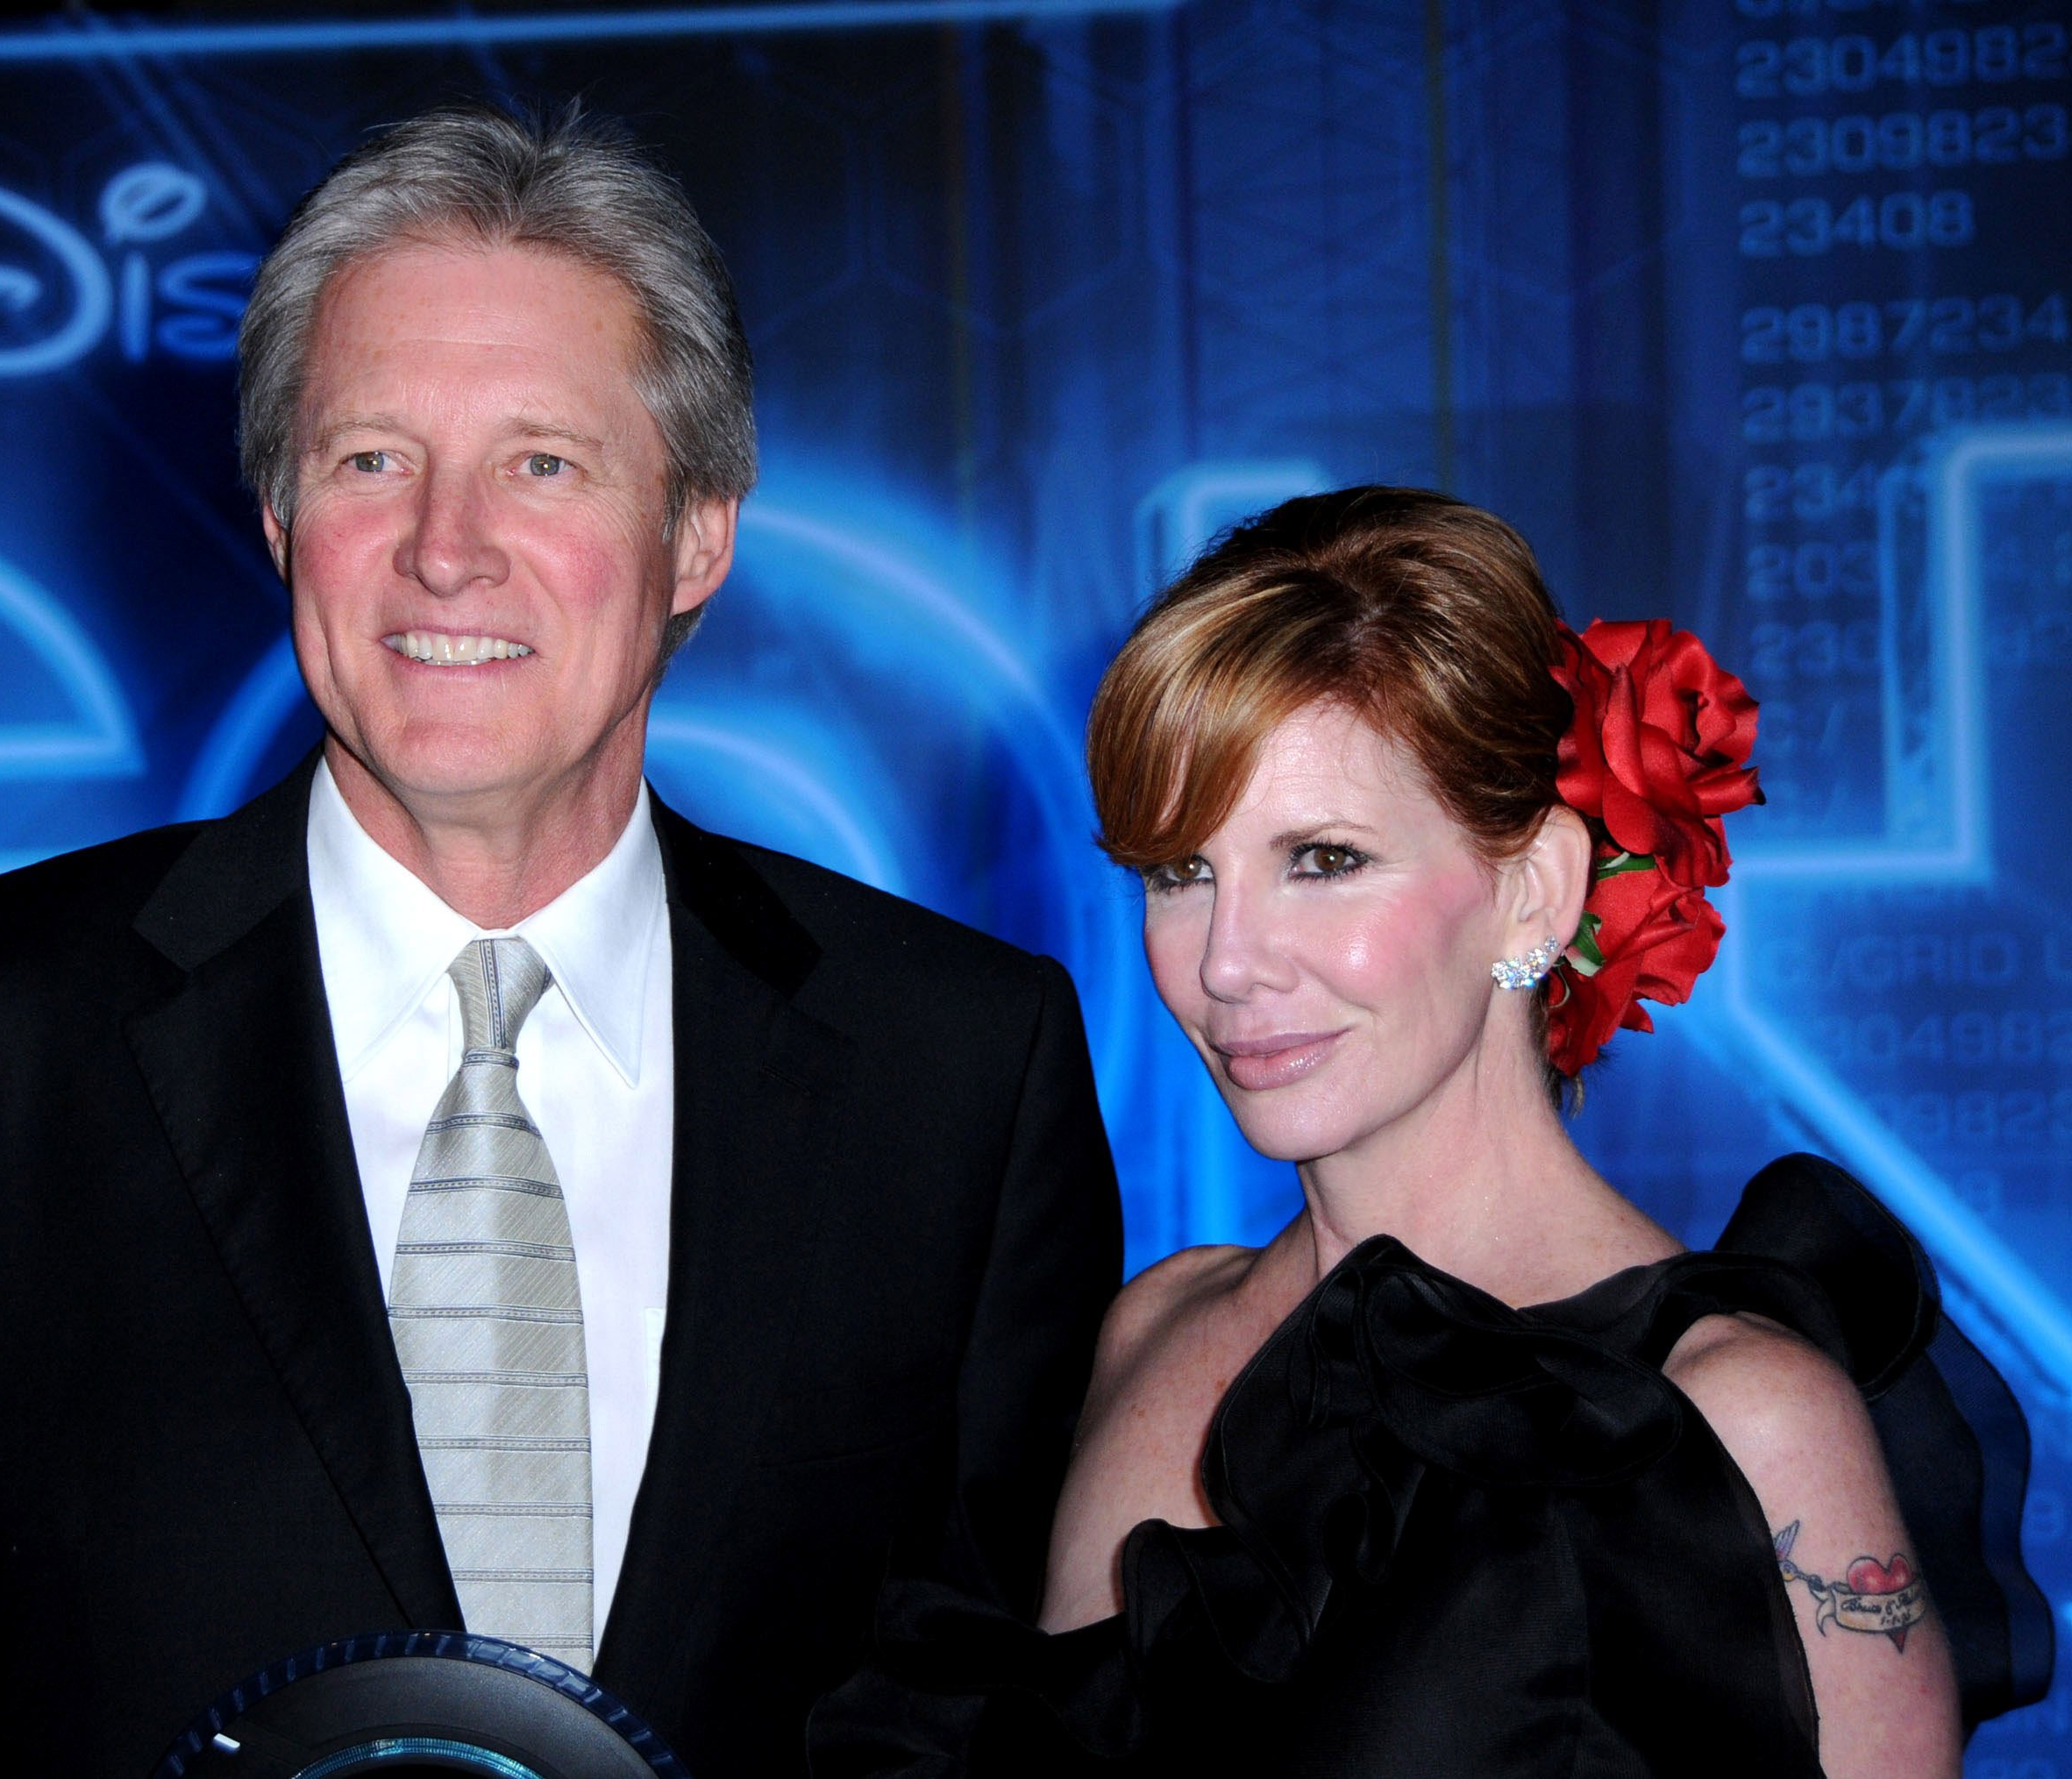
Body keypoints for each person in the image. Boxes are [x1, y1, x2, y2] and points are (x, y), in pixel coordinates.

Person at [0, 105, 1121, 1779]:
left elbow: (1011, 1693)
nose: (445, 545)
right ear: (281, 524)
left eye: (542, 461)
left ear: (696, 533)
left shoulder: (957, 1070)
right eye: (370, 459)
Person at [809, 487, 2050, 1776]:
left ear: (1533, 894)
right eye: (1182, 873)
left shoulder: (1740, 1413)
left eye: (1325, 858)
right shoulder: (1154, 1324)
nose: (1226, 962)